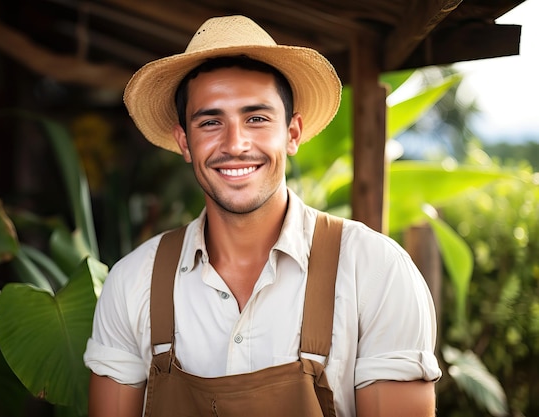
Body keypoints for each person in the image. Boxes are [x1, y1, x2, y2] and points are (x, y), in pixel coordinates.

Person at [83, 15, 441, 417]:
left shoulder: (375, 272)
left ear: (292, 133)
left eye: (257, 118)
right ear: (184, 141)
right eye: (210, 121)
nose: (235, 144)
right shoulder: (133, 283)